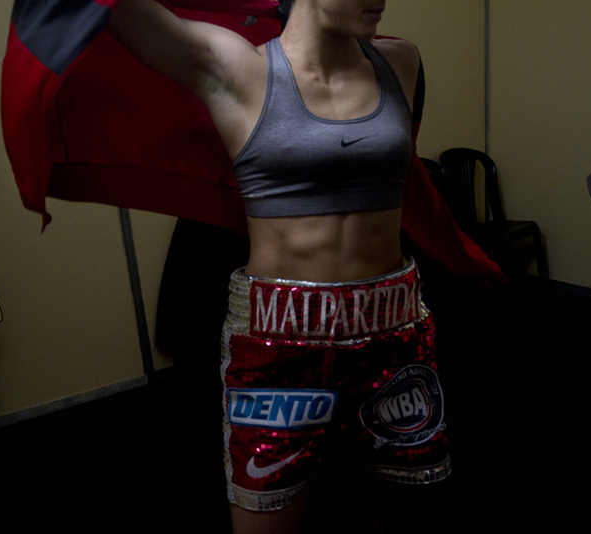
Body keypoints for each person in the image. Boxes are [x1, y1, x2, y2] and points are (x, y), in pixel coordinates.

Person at [105, 1, 453, 532]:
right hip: (280, 343)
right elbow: (119, 13)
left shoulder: (402, 62)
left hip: (392, 333)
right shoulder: (238, 67)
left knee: (386, 516)